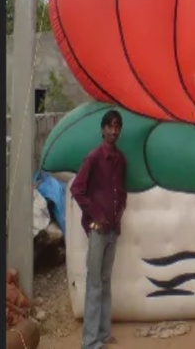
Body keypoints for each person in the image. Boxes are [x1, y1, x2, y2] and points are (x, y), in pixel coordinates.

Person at [70, 110, 127, 349]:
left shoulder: (121, 159)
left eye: (117, 127)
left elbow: (121, 190)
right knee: (94, 283)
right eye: (109, 126)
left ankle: (103, 333)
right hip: (97, 230)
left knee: (105, 281)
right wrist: (96, 214)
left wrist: (119, 211)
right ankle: (90, 341)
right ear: (102, 130)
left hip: (113, 229)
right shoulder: (93, 158)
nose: (113, 131)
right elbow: (77, 189)